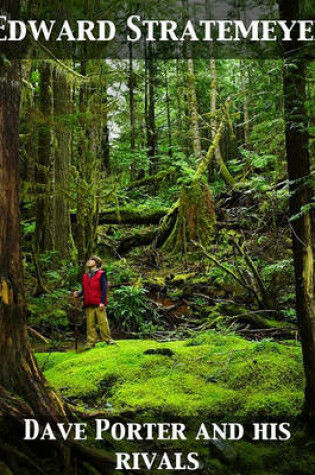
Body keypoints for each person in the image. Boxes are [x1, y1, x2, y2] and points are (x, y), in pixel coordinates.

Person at [74, 255, 116, 349]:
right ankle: (91, 342)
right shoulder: (85, 276)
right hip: (88, 303)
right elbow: (85, 289)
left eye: (91, 260)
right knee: (90, 324)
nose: (89, 261)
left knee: (103, 322)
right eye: (89, 259)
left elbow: (104, 289)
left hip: (98, 303)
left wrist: (102, 302)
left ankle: (108, 340)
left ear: (96, 263)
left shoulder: (101, 274)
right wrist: (78, 294)